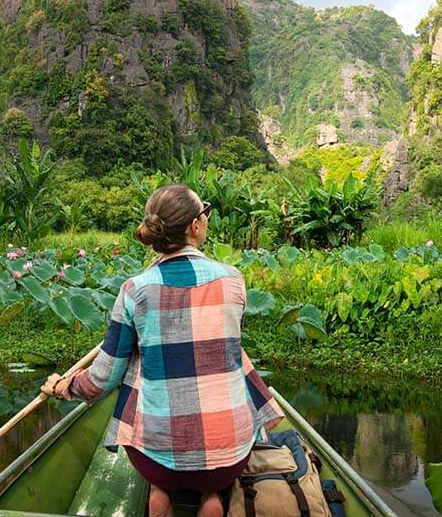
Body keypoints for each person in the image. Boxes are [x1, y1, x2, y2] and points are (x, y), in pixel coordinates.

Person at [41, 184, 283, 517]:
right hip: (228, 456)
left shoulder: (135, 290)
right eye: (205, 214)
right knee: (226, 366)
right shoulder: (233, 280)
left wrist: (64, 386)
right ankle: (212, 497)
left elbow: (102, 381)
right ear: (195, 226)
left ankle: (160, 493)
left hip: (156, 461)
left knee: (141, 372)